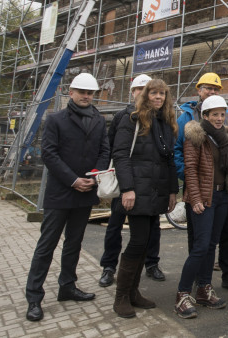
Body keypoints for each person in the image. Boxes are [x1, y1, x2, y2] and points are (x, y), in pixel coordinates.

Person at [24, 73, 110, 322]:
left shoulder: (98, 120)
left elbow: (104, 150)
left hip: (86, 192)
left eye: (90, 92)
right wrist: (73, 180)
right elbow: (49, 154)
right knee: (46, 245)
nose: (86, 96)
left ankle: (67, 287)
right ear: (70, 92)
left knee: (74, 243)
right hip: (61, 193)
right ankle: (34, 297)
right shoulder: (56, 119)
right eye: (81, 91)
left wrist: (95, 176)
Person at [111, 78, 179, 318]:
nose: (158, 97)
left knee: (147, 240)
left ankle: (133, 292)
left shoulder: (165, 122)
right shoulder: (132, 118)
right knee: (138, 241)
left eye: (162, 94)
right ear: (145, 95)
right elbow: (120, 155)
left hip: (156, 190)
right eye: (154, 93)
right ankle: (121, 297)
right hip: (137, 191)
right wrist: (127, 189)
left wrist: (172, 191)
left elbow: (169, 159)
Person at [173, 72, 228, 294]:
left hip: (222, 192)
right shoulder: (187, 120)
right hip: (200, 192)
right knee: (200, 243)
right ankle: (189, 288)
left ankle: (214, 282)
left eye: (216, 89)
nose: (212, 92)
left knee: (221, 238)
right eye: (208, 88)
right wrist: (195, 186)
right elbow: (181, 155)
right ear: (199, 90)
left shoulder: (226, 121)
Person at [99, 74, 166, 287]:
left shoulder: (159, 118)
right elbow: (115, 150)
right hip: (126, 183)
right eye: (139, 89)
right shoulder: (124, 116)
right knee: (115, 225)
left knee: (151, 228)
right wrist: (123, 183)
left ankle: (151, 263)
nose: (142, 93)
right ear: (133, 92)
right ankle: (109, 267)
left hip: (148, 187)